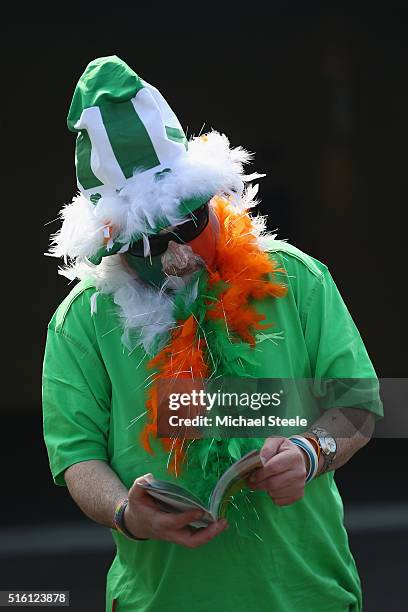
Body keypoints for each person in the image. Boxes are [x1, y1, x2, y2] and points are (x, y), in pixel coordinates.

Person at [42, 55, 383, 612]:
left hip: (308, 595)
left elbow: (360, 400)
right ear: (111, 241)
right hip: (159, 600)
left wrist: (312, 450)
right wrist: (128, 515)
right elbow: (78, 458)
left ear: (212, 200)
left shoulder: (295, 277)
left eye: (188, 225)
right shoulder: (80, 319)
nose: (175, 255)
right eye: (147, 244)